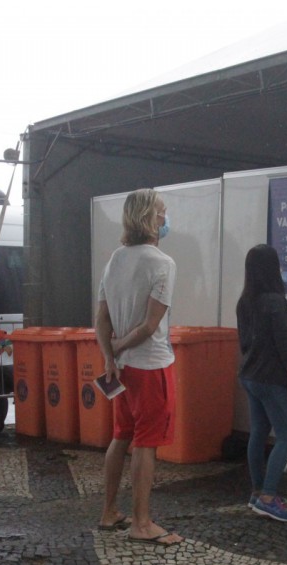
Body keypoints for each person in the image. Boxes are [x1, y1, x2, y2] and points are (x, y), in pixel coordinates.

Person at [95, 189, 183, 545]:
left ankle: (109, 511)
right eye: (162, 212)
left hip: (123, 371)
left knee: (121, 436)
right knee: (146, 444)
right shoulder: (163, 263)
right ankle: (141, 523)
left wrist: (109, 356)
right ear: (150, 218)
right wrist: (117, 347)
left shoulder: (115, 259)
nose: (165, 219)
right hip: (151, 366)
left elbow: (101, 318)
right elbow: (150, 326)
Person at [236, 245, 287, 522]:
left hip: (250, 376)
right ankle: (268, 497)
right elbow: (284, 345)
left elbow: (244, 342)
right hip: (272, 379)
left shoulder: (245, 301)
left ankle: (257, 491)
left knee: (259, 433)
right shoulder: (275, 301)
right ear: (273, 269)